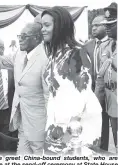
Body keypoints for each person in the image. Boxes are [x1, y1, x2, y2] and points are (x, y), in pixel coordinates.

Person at [41, 6, 102, 154]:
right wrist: (51, 125)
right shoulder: (53, 56)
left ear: (60, 27)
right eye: (42, 25)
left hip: (78, 126)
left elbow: (83, 96)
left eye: (47, 25)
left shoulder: (77, 54)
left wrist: (68, 133)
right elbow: (54, 94)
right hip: (57, 123)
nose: (42, 29)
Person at [0, 23, 49, 155]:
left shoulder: (45, 59)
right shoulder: (19, 54)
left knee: (39, 155)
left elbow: (48, 95)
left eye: (24, 36)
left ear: (36, 38)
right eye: (19, 36)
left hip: (39, 121)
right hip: (21, 119)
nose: (20, 39)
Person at [83, 15, 111, 151]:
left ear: (106, 26)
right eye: (92, 25)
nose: (93, 28)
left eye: (97, 25)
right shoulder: (88, 45)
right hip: (93, 91)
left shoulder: (113, 43)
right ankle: (100, 151)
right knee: (98, 124)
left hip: (111, 91)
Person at [95, 2, 117, 153]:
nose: (108, 27)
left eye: (112, 23)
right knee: (117, 143)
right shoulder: (107, 46)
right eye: (106, 24)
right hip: (111, 102)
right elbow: (100, 78)